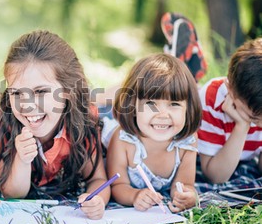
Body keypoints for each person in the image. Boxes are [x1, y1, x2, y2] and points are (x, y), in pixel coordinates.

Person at [0, 30, 109, 220]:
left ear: (68, 90)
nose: (27, 105)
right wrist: (22, 160)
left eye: (40, 91)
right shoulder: (0, 124)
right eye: (16, 93)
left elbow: (98, 179)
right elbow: (13, 194)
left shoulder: (83, 120)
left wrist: (97, 199)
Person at [106, 54, 202, 213]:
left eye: (174, 104)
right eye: (151, 103)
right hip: (109, 126)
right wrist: (135, 196)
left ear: (188, 109)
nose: (163, 115)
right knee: (95, 112)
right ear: (133, 106)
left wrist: (187, 196)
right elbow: (117, 185)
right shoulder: (123, 140)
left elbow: (185, 184)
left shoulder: (186, 142)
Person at [196, 38, 262, 190]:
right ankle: (188, 75)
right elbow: (215, 177)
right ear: (230, 89)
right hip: (211, 155)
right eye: (254, 118)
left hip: (243, 158)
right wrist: (242, 126)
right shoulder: (212, 100)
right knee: (186, 102)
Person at [160, 12, 207, 82]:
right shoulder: (173, 38)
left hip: (186, 77)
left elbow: (178, 62)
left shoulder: (182, 26)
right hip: (187, 77)